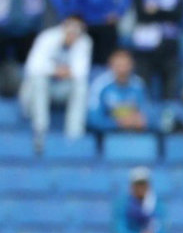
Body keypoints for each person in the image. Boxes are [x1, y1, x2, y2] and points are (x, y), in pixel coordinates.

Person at [19, 16, 92, 149]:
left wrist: (62, 72)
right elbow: (33, 67)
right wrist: (55, 70)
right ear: (63, 27)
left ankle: (74, 136)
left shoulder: (84, 41)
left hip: (61, 89)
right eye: (70, 30)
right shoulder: (47, 37)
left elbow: (82, 72)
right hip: (34, 92)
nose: (73, 34)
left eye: (76, 31)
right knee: (38, 80)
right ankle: (40, 130)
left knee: (81, 87)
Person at [88, 49, 149, 132]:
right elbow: (93, 119)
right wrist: (118, 123)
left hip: (134, 135)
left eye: (125, 65)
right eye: (118, 65)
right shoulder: (100, 85)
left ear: (132, 66)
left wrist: (139, 121)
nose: (122, 70)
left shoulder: (138, 85)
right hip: (106, 136)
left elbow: (146, 114)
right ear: (110, 66)